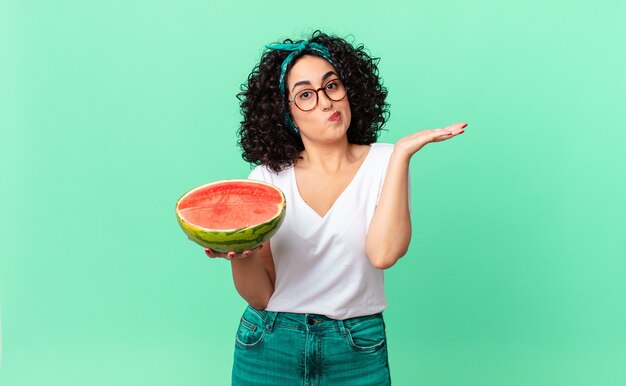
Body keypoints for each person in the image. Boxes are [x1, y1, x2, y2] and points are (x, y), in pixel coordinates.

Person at [204, 30, 467, 385]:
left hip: (355, 346)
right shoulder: (267, 177)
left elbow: (384, 253)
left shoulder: (385, 161)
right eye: (306, 96)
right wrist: (241, 253)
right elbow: (262, 296)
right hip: (270, 341)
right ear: (286, 114)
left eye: (332, 86)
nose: (326, 102)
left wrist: (403, 153)